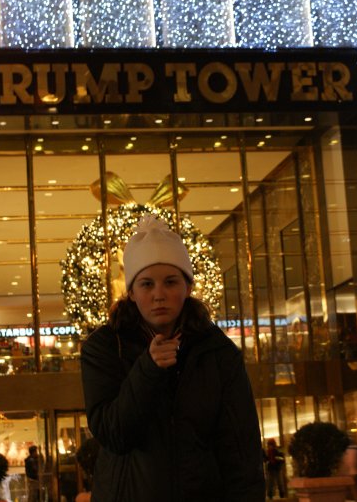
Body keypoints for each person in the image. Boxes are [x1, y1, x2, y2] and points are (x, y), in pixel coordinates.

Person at [80, 215, 265, 502]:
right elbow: (113, 433)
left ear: (187, 287)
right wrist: (147, 369)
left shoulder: (218, 352)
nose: (159, 295)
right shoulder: (105, 347)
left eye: (170, 282)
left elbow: (241, 450)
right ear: (131, 292)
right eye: (146, 284)